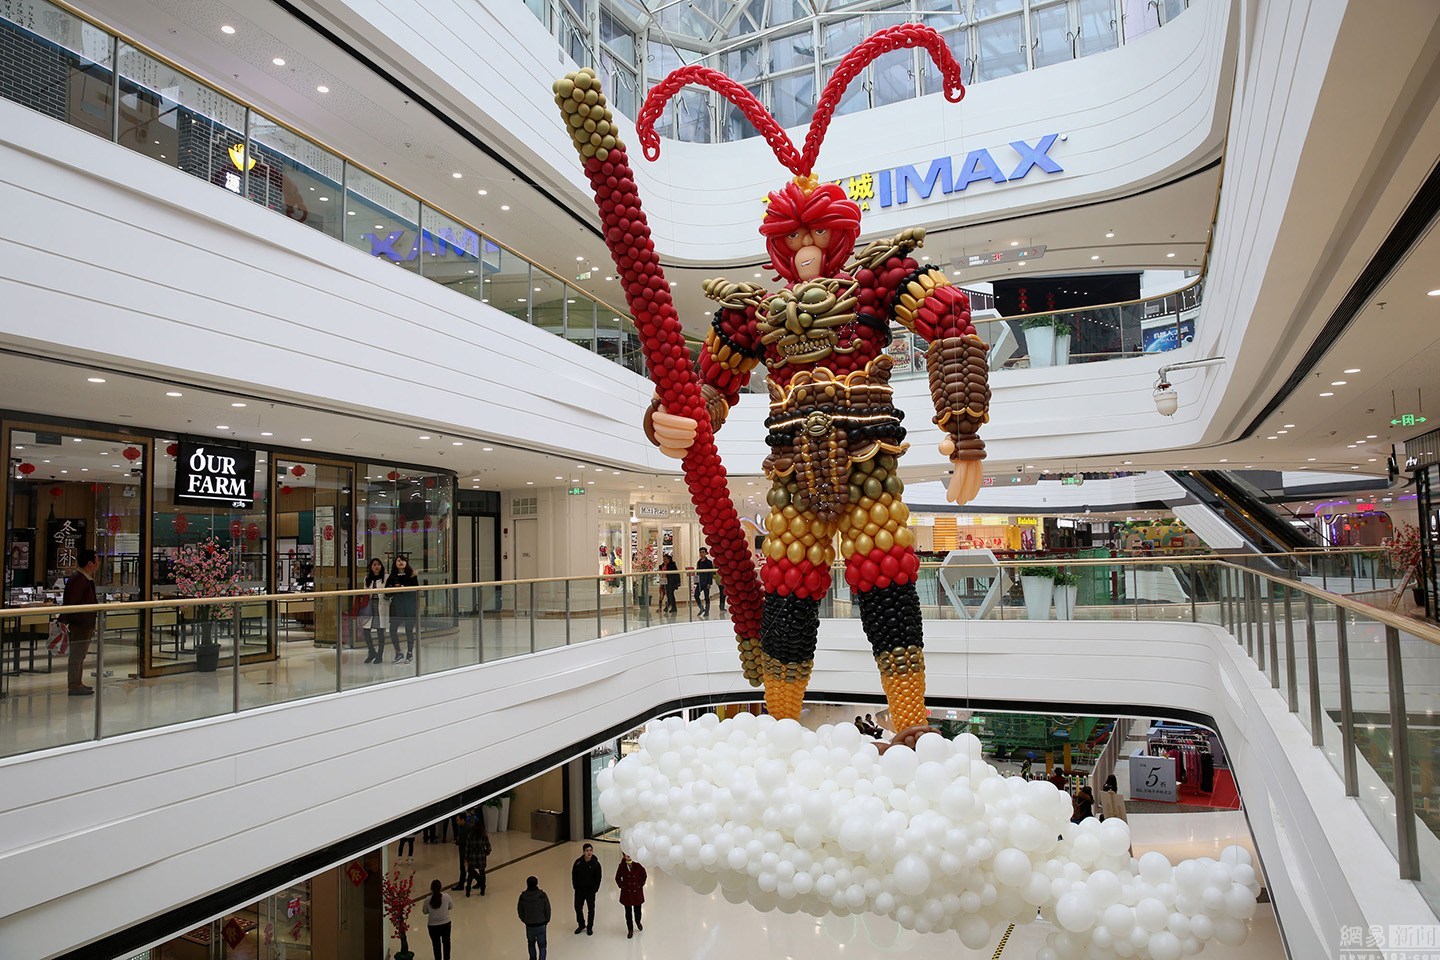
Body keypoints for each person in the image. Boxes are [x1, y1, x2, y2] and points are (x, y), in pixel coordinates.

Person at [60, 549, 99, 696]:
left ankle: (78, 682)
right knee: (77, 654)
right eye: (97, 560)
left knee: (80, 654)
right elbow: (72, 602)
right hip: (80, 623)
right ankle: (74, 684)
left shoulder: (84, 578)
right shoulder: (79, 579)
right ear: (90, 563)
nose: (98, 563)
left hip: (84, 622)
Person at [386, 555, 420, 662]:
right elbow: (386, 592)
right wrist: (394, 588)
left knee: (409, 630)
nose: (401, 562)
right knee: (393, 629)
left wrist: (403, 587)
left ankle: (410, 653)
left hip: (409, 606)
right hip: (396, 606)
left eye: (403, 560)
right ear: (395, 563)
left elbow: (416, 590)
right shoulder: (392, 576)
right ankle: (398, 652)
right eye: (399, 561)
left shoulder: (412, 575)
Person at [360, 557, 388, 664]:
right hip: (369, 607)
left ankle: (380, 655)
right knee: (366, 630)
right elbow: (365, 592)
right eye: (374, 565)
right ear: (371, 567)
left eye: (378, 564)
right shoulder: (367, 578)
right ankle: (371, 652)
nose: (376, 567)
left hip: (381, 606)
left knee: (380, 631)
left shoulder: (386, 577)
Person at [518, 875, 551, 960]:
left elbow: (520, 911)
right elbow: (547, 909)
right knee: (542, 945)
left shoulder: (523, 897)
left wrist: (525, 920)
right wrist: (546, 920)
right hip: (541, 924)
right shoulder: (542, 895)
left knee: (531, 943)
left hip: (529, 925)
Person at [572, 842, 602, 935]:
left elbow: (598, 878)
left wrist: (595, 889)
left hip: (590, 891)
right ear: (583, 852)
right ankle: (581, 924)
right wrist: (575, 887)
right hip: (579, 891)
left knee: (591, 910)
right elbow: (574, 875)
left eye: (590, 850)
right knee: (578, 907)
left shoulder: (596, 864)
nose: (589, 852)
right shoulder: (578, 863)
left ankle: (590, 927)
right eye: (587, 851)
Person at [615, 852, 647, 938]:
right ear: (624, 855)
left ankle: (638, 921)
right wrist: (622, 886)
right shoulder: (621, 866)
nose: (628, 855)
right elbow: (617, 878)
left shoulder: (638, 864)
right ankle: (630, 929)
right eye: (626, 854)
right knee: (628, 912)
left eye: (629, 853)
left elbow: (644, 875)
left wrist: (640, 884)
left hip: (637, 892)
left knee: (638, 910)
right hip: (627, 893)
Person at [421, 878, 453, 960]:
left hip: (433, 926)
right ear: (441, 887)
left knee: (436, 945)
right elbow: (450, 906)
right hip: (446, 924)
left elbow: (424, 911)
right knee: (446, 943)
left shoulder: (427, 899)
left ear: (431, 889)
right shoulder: (446, 896)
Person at [463, 808, 491, 896]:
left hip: (472, 856)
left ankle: (468, 890)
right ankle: (482, 889)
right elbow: (488, 846)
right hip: (481, 856)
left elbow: (467, 847)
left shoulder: (471, 835)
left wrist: (466, 858)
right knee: (482, 873)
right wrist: (486, 852)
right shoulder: (483, 834)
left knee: (470, 875)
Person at [693, 547, 715, 618]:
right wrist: (696, 582)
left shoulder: (709, 562)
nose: (701, 554)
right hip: (700, 582)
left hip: (706, 582)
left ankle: (707, 611)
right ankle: (701, 608)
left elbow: (710, 573)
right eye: (700, 552)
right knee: (696, 595)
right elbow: (697, 572)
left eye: (703, 552)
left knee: (706, 597)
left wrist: (709, 583)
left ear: (706, 553)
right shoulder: (699, 562)